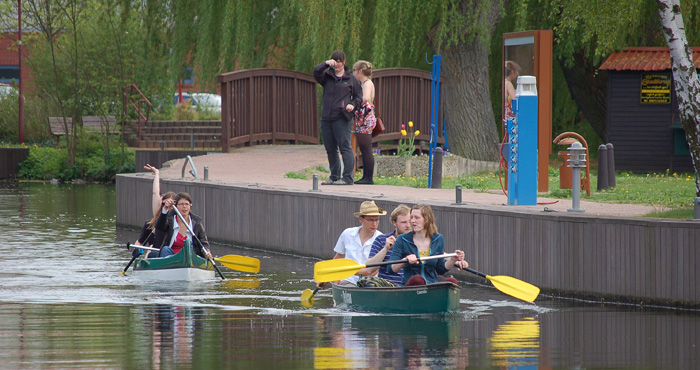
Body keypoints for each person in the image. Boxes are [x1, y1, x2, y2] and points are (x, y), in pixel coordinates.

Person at [313, 50, 362, 185]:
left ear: (344, 62)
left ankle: (347, 177)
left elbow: (359, 97)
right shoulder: (327, 76)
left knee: (345, 147)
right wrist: (325, 64)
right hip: (327, 118)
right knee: (330, 148)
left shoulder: (351, 79)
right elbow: (316, 72)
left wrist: (352, 105)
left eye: (339, 61)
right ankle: (334, 176)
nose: (337, 64)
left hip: (342, 118)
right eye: (335, 61)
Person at [390, 204, 468, 286]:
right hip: (411, 285)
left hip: (431, 285)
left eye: (417, 218)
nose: (412, 221)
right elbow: (391, 269)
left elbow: (440, 270)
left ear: (426, 220)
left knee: (452, 282)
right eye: (411, 217)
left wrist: (452, 260)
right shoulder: (402, 239)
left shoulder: (438, 239)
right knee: (418, 279)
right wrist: (405, 260)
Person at [317, 200, 387, 288]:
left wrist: (347, 270)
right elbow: (339, 257)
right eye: (370, 220)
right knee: (349, 286)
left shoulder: (381, 239)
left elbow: (375, 270)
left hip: (371, 282)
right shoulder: (347, 234)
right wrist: (327, 277)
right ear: (361, 219)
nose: (374, 224)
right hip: (348, 280)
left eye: (377, 220)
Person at [364, 204, 412, 286]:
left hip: (411, 286)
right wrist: (385, 249)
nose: (408, 226)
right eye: (403, 222)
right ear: (394, 223)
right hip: (388, 287)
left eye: (410, 222)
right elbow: (369, 269)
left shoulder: (419, 240)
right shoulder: (381, 240)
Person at [155, 192, 213, 260]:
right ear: (175, 206)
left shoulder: (197, 223)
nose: (184, 206)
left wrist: (207, 252)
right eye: (181, 204)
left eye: (187, 204)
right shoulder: (170, 220)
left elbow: (204, 243)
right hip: (171, 258)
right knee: (165, 249)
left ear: (190, 206)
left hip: (190, 258)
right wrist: (165, 209)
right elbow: (160, 226)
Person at [352, 60, 376, 185]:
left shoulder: (367, 83)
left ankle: (368, 178)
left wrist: (354, 103)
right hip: (363, 119)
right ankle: (366, 176)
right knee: (364, 148)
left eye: (354, 70)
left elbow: (366, 98)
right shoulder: (365, 83)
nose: (353, 73)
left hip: (365, 119)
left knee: (366, 148)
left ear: (360, 71)